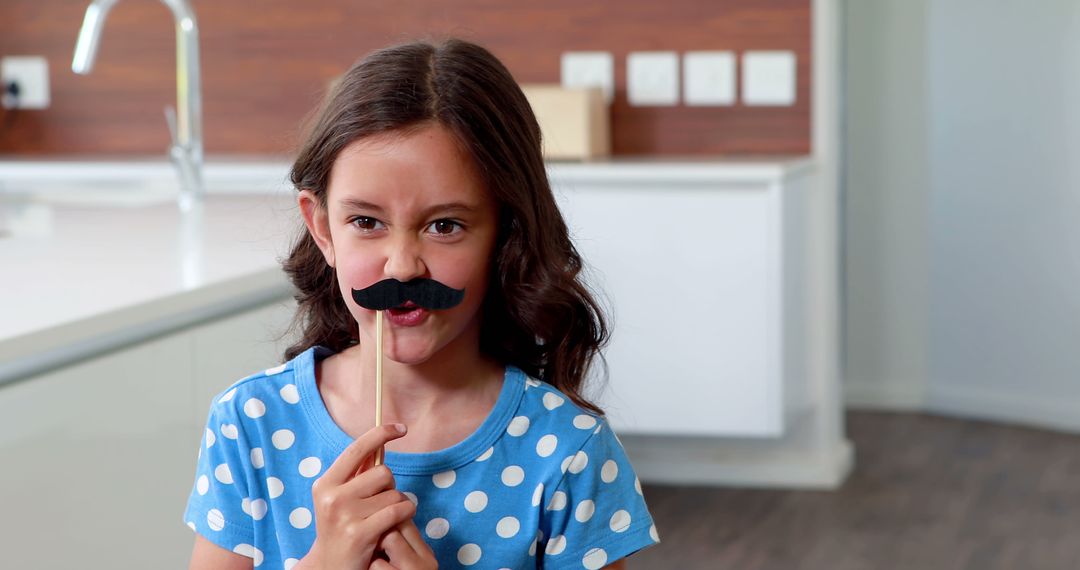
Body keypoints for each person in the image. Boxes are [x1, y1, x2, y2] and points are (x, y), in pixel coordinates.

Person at [184, 38, 659, 570]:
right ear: (322, 229)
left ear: (505, 236)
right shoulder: (250, 423)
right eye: (366, 222)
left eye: (445, 226)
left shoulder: (568, 453)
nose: (403, 266)